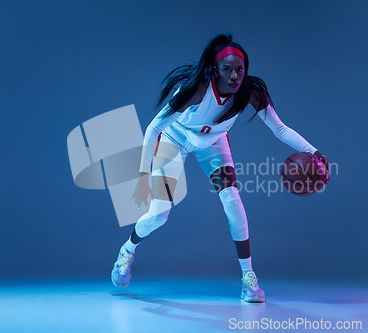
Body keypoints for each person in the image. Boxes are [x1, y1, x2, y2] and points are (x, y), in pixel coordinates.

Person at [111, 34, 330, 303]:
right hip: (173, 140)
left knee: (233, 201)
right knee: (159, 215)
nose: (235, 76)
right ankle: (127, 250)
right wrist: (144, 176)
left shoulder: (250, 92)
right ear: (215, 70)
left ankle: (249, 279)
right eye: (228, 69)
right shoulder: (196, 89)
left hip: (212, 144)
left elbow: (280, 129)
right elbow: (155, 128)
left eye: (240, 69)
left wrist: (314, 152)